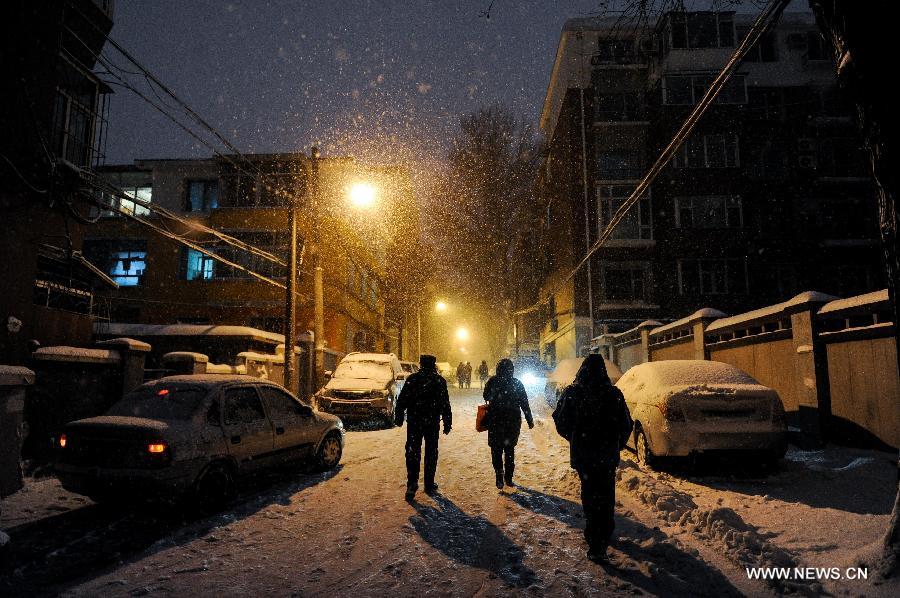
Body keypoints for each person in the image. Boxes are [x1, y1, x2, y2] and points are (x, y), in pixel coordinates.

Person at [552, 354, 633, 562]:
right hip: (606, 455)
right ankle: (604, 534)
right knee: (605, 494)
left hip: (584, 455)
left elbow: (560, 420)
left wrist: (575, 437)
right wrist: (616, 444)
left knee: (589, 494)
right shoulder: (613, 394)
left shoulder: (573, 393)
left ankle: (594, 540)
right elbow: (626, 424)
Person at [395, 354, 452, 499]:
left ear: (420, 364)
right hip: (432, 422)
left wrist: (399, 417)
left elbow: (402, 400)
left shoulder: (412, 380)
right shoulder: (439, 381)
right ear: (434, 365)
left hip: (415, 421)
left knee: (413, 452)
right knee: (431, 452)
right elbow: (445, 404)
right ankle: (429, 482)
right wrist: (447, 422)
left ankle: (412, 484)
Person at [483, 358, 534, 489]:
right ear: (512, 369)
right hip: (512, 421)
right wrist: (529, 420)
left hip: (495, 420)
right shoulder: (517, 383)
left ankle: (499, 474)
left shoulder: (492, 381)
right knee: (509, 449)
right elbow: (524, 403)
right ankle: (508, 477)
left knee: (496, 449)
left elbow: (486, 396)